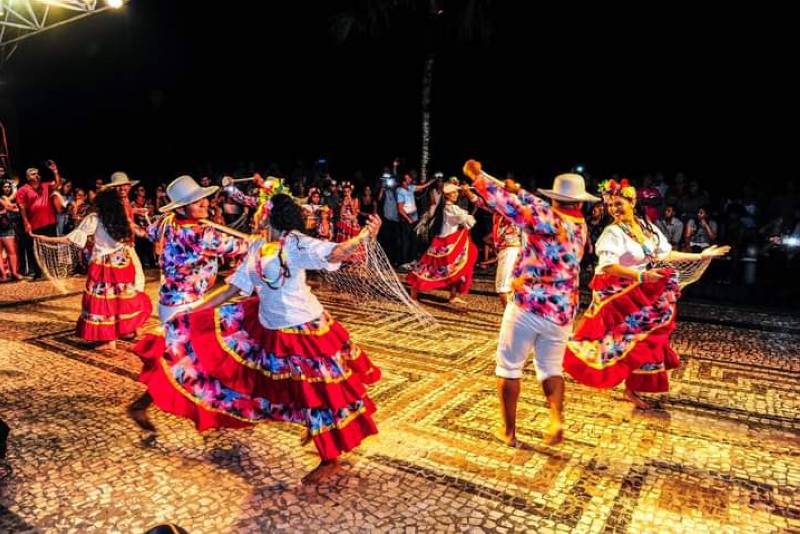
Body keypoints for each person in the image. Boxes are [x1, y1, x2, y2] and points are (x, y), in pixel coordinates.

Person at [139, 193, 382, 483]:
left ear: (270, 216)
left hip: (305, 328)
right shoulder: (258, 247)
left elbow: (336, 252)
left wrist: (367, 233)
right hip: (271, 328)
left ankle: (330, 459)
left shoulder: (294, 243)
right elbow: (232, 289)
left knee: (320, 393)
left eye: (261, 211)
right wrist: (192, 313)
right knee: (278, 386)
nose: (256, 214)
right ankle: (315, 430)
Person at [464, 160, 600, 447]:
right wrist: (517, 188)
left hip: (529, 305)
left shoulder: (547, 218)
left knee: (509, 367)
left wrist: (478, 177)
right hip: (562, 311)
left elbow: (508, 206)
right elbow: (529, 201)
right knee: (551, 368)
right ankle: (556, 418)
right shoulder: (580, 225)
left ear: (555, 198)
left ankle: (508, 432)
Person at [563, 179, 729, 409]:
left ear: (632, 202)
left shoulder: (645, 226)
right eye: (611, 205)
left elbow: (666, 255)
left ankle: (632, 388)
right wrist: (641, 277)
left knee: (648, 339)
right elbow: (609, 266)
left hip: (639, 290)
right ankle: (569, 360)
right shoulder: (613, 232)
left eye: (619, 203)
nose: (614, 209)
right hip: (618, 294)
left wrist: (700, 256)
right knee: (619, 342)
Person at [127, 175, 256, 433]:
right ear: (181, 208)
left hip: (177, 301)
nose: (205, 203)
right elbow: (236, 246)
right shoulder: (198, 233)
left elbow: (150, 232)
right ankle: (142, 406)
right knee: (189, 363)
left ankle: (220, 411)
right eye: (197, 202)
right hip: (184, 305)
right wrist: (260, 241)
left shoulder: (167, 222)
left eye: (203, 199)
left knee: (194, 359)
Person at [32, 186, 152, 350]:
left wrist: (44, 238)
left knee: (104, 301)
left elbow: (71, 239)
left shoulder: (95, 218)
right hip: (123, 260)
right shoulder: (121, 217)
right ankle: (135, 330)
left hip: (104, 264)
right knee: (125, 295)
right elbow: (140, 232)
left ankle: (109, 340)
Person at [407, 183, 478, 305]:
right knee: (428, 268)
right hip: (444, 243)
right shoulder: (450, 209)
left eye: (456, 192)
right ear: (447, 196)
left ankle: (452, 296)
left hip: (449, 242)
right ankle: (413, 295)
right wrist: (473, 206)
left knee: (456, 267)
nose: (456, 194)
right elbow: (468, 220)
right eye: (453, 192)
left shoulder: (447, 207)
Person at [15, 165, 62, 279]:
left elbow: (58, 184)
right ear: (27, 177)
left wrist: (55, 171)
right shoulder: (22, 190)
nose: (36, 175)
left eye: (37, 173)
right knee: (36, 249)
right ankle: (38, 273)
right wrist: (26, 223)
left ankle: (54, 271)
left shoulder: (45, 186)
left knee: (52, 247)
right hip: (35, 224)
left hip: (50, 221)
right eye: (33, 174)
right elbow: (22, 208)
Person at [396, 173, 435, 270]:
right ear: (403, 181)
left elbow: (422, 187)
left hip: (414, 218)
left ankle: (412, 260)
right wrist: (408, 219)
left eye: (410, 177)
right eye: (408, 178)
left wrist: (430, 181)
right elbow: (400, 209)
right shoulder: (400, 191)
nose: (410, 179)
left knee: (414, 240)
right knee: (406, 241)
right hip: (406, 219)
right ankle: (404, 262)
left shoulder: (410, 188)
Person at [0, 180, 23, 281]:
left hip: (5, 227)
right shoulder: (3, 198)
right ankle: (4, 275)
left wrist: (12, 208)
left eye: (8, 187)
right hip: (4, 226)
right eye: (5, 187)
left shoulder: (4, 198)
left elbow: (10, 207)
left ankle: (13, 273)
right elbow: (10, 207)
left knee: (12, 251)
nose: (7, 189)